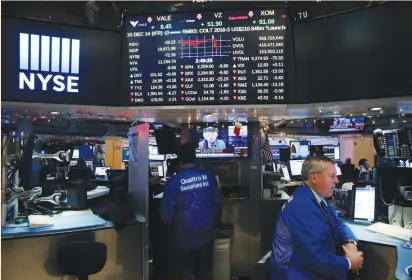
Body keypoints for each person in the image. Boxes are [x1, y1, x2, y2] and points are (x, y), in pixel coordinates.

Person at [270, 155, 364, 280]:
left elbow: (337, 223)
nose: (336, 180)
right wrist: (350, 263)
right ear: (314, 178)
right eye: (332, 176)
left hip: (310, 268)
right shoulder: (302, 207)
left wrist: (350, 242)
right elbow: (317, 259)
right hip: (296, 274)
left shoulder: (315, 197)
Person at [160, 142, 221, 280]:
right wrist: (215, 225)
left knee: (187, 272)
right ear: (195, 158)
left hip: (184, 235)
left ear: (180, 161)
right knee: (205, 270)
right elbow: (217, 203)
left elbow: (166, 214)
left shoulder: (174, 181)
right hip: (206, 232)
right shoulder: (209, 176)